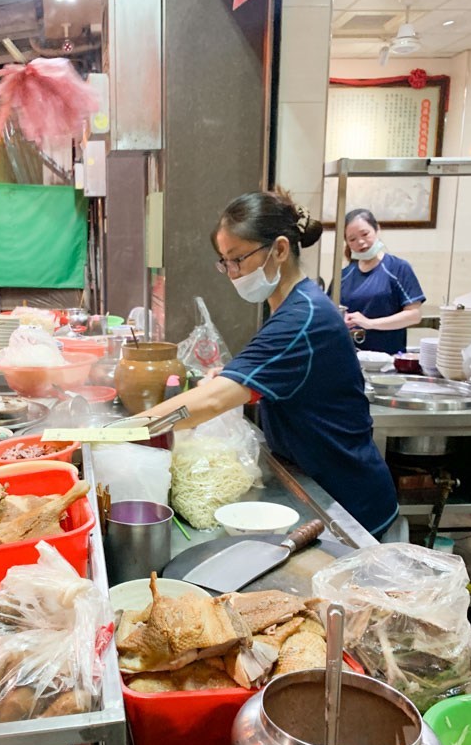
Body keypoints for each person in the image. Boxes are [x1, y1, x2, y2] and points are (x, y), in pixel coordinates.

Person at [139, 190, 399, 539]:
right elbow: (295, 381)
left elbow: (213, 402)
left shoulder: (304, 317)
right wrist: (249, 385)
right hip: (323, 483)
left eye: (238, 259)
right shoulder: (291, 305)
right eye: (224, 262)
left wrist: (128, 431)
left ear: (279, 249)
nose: (231, 273)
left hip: (349, 503)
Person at [338, 208, 425, 355]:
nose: (360, 242)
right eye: (352, 239)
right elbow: (331, 311)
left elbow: (414, 315)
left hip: (388, 361)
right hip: (350, 358)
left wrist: (370, 323)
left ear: (377, 230)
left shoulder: (398, 268)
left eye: (365, 234)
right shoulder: (344, 275)